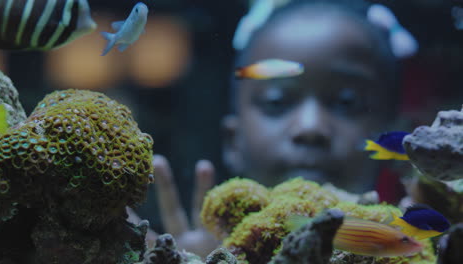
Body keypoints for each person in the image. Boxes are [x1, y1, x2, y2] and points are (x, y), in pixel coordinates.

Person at [132, 0, 404, 257]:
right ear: (232, 141)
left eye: (347, 102)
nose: (311, 127)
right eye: (277, 101)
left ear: (394, 140)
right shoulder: (204, 256)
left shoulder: (413, 248)